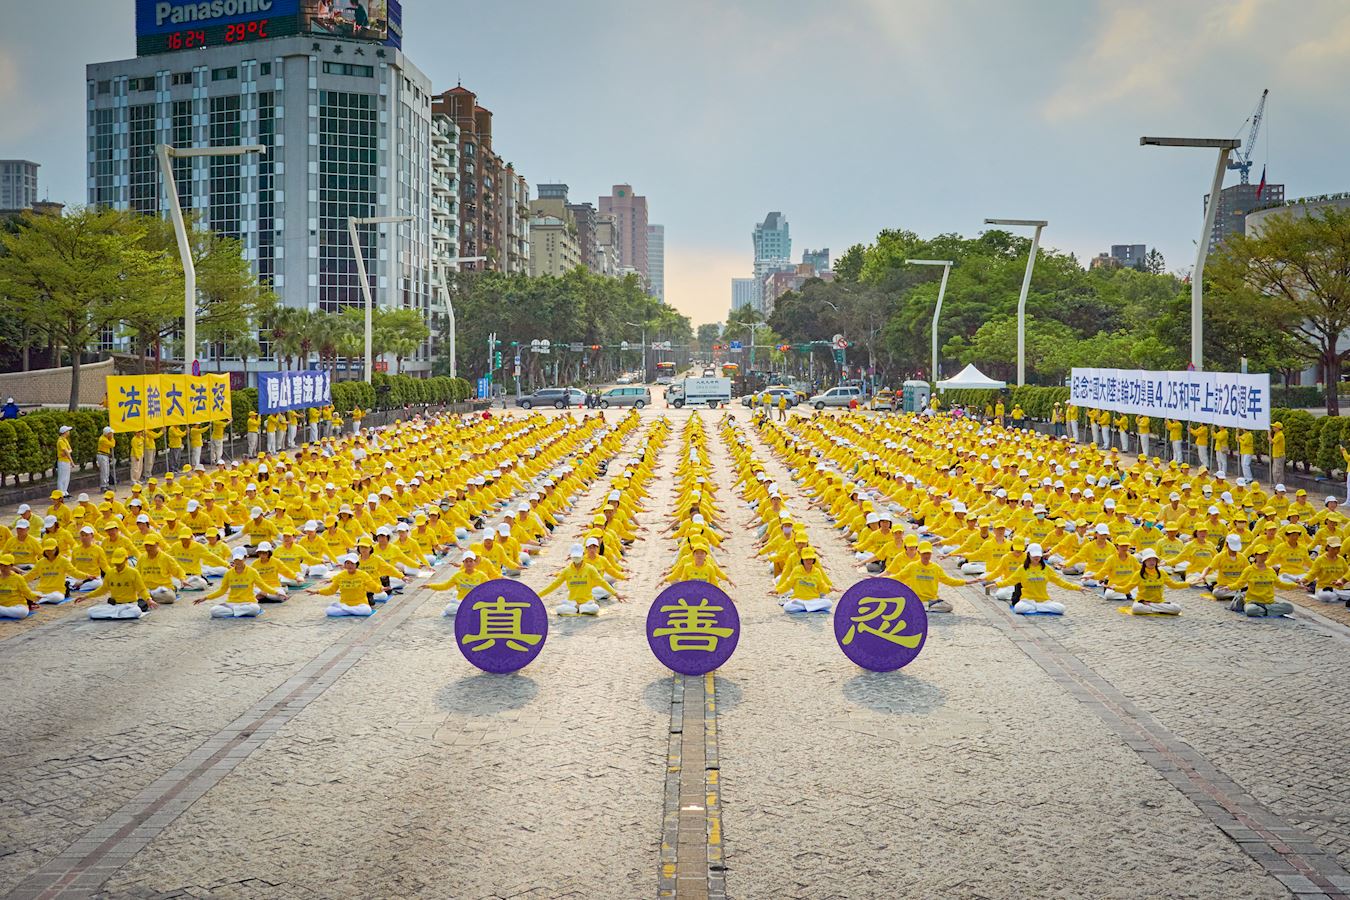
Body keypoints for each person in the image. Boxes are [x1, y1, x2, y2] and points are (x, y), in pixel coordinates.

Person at [995, 544, 1076, 615]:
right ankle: (1040, 608)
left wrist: (1077, 588)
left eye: (1038, 555)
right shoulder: (1022, 569)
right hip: (1027, 600)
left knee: (1061, 608)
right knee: (1018, 608)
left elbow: (1060, 582)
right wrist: (997, 584)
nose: (1036, 557)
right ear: (1028, 555)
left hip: (1043, 600)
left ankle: (1036, 607)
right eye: (1034, 555)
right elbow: (1010, 580)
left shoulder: (1046, 568)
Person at [896, 540, 975, 613]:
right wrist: (888, 580)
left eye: (928, 553)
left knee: (949, 607)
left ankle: (924, 607)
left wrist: (965, 582)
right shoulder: (912, 566)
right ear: (919, 553)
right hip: (916, 598)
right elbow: (899, 576)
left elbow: (948, 580)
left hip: (932, 601)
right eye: (924, 554)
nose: (926, 556)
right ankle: (923, 606)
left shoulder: (936, 568)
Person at [539, 544, 619, 616]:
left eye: (578, 556)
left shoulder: (590, 569)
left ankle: (578, 608)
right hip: (572, 602)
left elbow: (602, 582)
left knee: (595, 608)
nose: (576, 559)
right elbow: (554, 585)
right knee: (559, 609)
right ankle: (579, 608)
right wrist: (538, 596)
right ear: (571, 556)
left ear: (582, 555)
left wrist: (616, 594)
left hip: (587, 602)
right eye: (574, 557)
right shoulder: (567, 570)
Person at [86, 549, 157, 620]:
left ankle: (113, 615)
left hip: (130, 606)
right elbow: (103, 589)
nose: (118, 565)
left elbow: (142, 589)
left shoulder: (133, 572)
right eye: (116, 563)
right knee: (90, 611)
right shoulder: (110, 573)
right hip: (114, 606)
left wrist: (148, 600)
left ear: (126, 559)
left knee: (136, 611)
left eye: (120, 562)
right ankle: (118, 614)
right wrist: (86, 596)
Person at [1229, 544, 1295, 618]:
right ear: (1255, 556)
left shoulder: (1271, 571)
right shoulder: (1249, 570)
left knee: (1290, 608)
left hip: (1269, 603)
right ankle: (1270, 611)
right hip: (1253, 602)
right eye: (1261, 554)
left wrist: (1295, 586)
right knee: (1251, 610)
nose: (1263, 557)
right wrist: (1228, 587)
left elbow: (1280, 584)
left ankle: (1264, 611)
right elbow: (1239, 584)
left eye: (1265, 554)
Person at [196, 549, 264, 618]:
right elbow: (222, 591)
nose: (238, 562)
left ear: (246, 558)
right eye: (236, 559)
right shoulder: (228, 573)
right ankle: (239, 612)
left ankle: (233, 612)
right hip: (232, 603)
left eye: (240, 559)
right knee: (214, 611)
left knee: (255, 609)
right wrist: (206, 598)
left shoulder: (252, 571)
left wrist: (271, 592)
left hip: (248, 603)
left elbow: (262, 585)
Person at [1116, 549, 1185, 615]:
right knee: (1136, 608)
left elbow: (1173, 585)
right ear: (1144, 562)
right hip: (1142, 603)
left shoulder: (1162, 572)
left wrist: (1187, 583)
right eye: (1149, 559)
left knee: (1177, 608)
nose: (1152, 562)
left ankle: (1152, 607)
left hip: (1157, 602)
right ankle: (1160, 609)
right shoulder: (1138, 574)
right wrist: (1115, 588)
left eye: (1153, 559)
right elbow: (1127, 588)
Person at [427, 550, 491, 617]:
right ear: (463, 563)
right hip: (461, 601)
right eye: (466, 561)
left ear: (474, 562)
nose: (469, 563)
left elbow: (490, 587)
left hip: (475, 601)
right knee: (449, 610)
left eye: (471, 561)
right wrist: (430, 586)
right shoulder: (458, 575)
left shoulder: (481, 575)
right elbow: (445, 586)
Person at [314, 554, 382, 617]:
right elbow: (331, 590)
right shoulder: (340, 575)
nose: (350, 565)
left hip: (360, 604)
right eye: (348, 563)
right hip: (345, 604)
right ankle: (351, 611)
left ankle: (346, 610)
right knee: (329, 611)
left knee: (367, 610)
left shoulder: (363, 575)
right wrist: (318, 591)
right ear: (345, 565)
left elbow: (373, 586)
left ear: (357, 565)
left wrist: (381, 589)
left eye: (352, 563)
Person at [0, 553, 39, 618]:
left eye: (5, 566)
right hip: (2, 604)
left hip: (17, 605)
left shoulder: (18, 578)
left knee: (22, 612)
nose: (2, 568)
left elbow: (27, 592)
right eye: (1, 565)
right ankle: (4, 611)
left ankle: (2, 611)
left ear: (11, 566)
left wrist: (36, 597)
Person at [55, 425, 74, 494]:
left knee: (66, 477)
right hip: (62, 461)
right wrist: (72, 462)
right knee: (62, 477)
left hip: (66, 460)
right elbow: (66, 451)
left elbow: (69, 450)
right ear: (65, 432)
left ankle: (65, 490)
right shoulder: (60, 441)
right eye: (68, 431)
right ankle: (61, 492)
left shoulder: (65, 440)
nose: (69, 432)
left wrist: (68, 452)